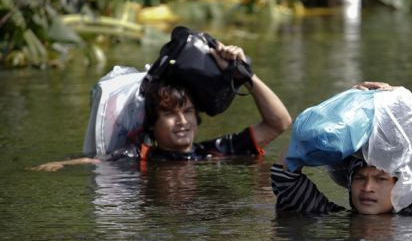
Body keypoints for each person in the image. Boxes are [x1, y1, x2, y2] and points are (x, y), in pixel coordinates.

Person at [32, 41, 291, 171]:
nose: (182, 121)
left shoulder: (215, 152)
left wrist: (243, 74)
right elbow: (95, 160)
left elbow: (279, 122)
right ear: (151, 125)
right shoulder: (140, 156)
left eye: (188, 111)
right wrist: (60, 165)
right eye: (169, 113)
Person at [271, 82, 412, 216]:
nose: (367, 188)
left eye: (380, 179)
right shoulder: (327, 216)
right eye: (360, 178)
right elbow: (285, 171)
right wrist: (345, 105)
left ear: (402, 183)